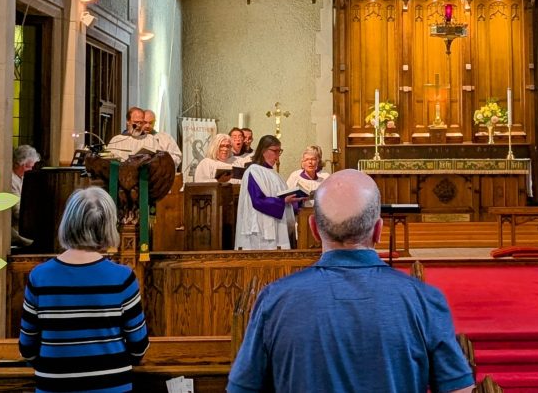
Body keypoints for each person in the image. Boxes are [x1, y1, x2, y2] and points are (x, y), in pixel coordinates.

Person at [227, 170, 474, 393]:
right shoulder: (424, 299)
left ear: (314, 229)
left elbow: (243, 388)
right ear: (378, 230)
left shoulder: (275, 300)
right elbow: (458, 389)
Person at [19, 187, 149, 392]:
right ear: (107, 226)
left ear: (69, 222)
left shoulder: (40, 277)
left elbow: (27, 347)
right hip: (110, 386)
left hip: (55, 386)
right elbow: (138, 345)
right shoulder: (122, 277)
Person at [234, 135, 301, 250]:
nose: (277, 156)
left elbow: (283, 198)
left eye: (279, 151)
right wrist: (283, 201)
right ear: (263, 150)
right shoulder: (254, 171)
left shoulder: (275, 175)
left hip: (277, 226)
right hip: (260, 229)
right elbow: (257, 200)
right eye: (275, 151)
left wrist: (296, 200)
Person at [106, 106, 183, 168]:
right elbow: (108, 162)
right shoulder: (116, 140)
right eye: (136, 122)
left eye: (141, 122)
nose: (139, 126)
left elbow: (159, 163)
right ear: (128, 122)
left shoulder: (151, 140)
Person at [11, 145, 40, 248]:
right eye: (29, 167)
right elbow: (18, 211)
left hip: (25, 226)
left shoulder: (22, 177)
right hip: (15, 230)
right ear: (19, 164)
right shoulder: (11, 180)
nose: (31, 170)